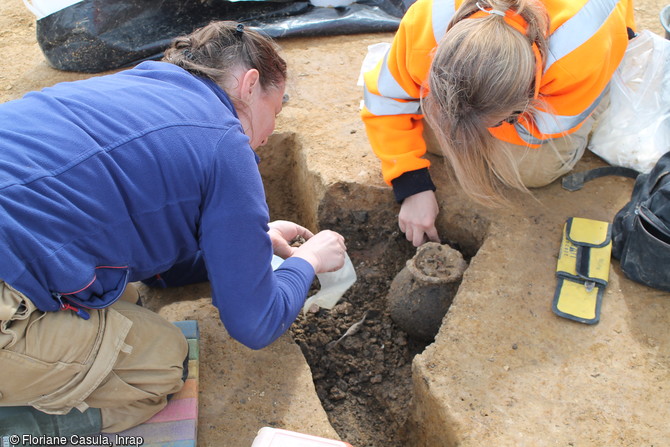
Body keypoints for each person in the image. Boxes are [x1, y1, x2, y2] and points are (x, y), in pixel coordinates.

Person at [0, 21, 347, 435]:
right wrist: (307, 261)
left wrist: (247, 247)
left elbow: (156, 246)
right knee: (159, 363)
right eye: (276, 109)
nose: (270, 132)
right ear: (250, 84)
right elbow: (255, 324)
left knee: (123, 298)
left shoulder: (145, 83)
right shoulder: (224, 142)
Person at [361, 0, 636, 246]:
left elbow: (546, 127)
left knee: (533, 169)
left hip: (600, 47)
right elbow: (384, 98)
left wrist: (466, 135)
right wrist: (411, 184)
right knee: (436, 138)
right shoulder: (428, 22)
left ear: (526, 100)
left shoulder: (578, 52)